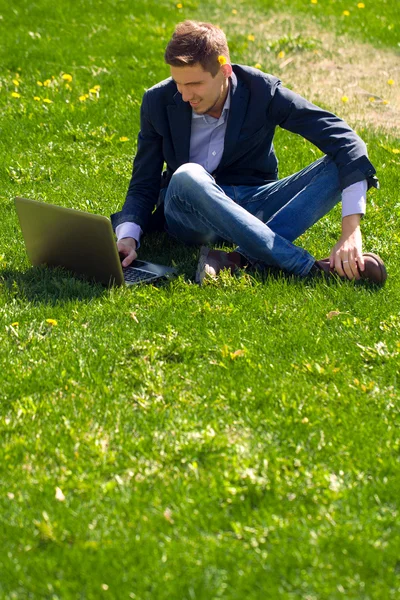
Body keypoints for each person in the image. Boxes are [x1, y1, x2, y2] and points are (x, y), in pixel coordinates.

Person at [111, 20, 387, 285]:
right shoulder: (157, 100)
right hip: (189, 213)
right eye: (179, 84)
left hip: (255, 203)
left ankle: (238, 258)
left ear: (225, 71)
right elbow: (143, 182)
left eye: (194, 85)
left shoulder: (262, 91)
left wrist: (351, 230)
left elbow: (344, 139)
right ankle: (308, 268)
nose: (185, 95)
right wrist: (128, 237)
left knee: (340, 163)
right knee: (187, 175)